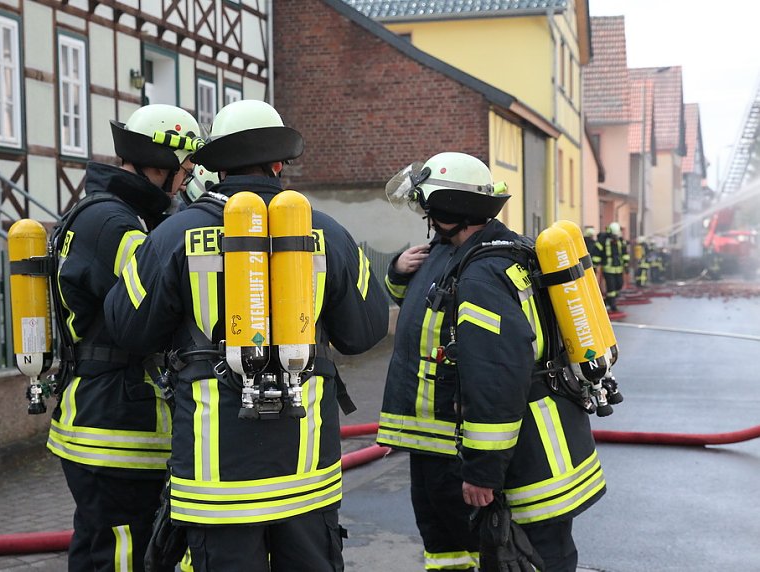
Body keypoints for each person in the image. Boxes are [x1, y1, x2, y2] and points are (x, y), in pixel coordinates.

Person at [103, 99, 389, 572]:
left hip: (217, 479)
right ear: (279, 163)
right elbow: (366, 331)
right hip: (306, 471)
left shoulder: (175, 234)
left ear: (214, 165)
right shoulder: (328, 233)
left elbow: (127, 328)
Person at [380, 152, 605, 572]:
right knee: (471, 554)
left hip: (517, 456)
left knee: (531, 558)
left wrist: (482, 470)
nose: (426, 215)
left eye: (428, 205)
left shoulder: (482, 277)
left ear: (447, 209)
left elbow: (496, 376)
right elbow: (424, 314)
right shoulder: (469, 254)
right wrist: (397, 271)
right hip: (471, 447)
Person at [45, 103, 203, 571]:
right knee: (120, 556)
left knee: (111, 549)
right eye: (186, 171)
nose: (187, 183)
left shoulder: (110, 214)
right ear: (161, 165)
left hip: (106, 413)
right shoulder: (116, 225)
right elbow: (159, 303)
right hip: (113, 422)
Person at [592, 221, 630, 311]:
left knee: (619, 285)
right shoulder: (603, 241)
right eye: (614, 236)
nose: (615, 238)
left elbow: (625, 254)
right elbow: (596, 254)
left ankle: (608, 301)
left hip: (619, 269)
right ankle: (613, 305)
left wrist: (626, 265)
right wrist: (594, 266)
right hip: (608, 269)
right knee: (611, 288)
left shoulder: (621, 241)